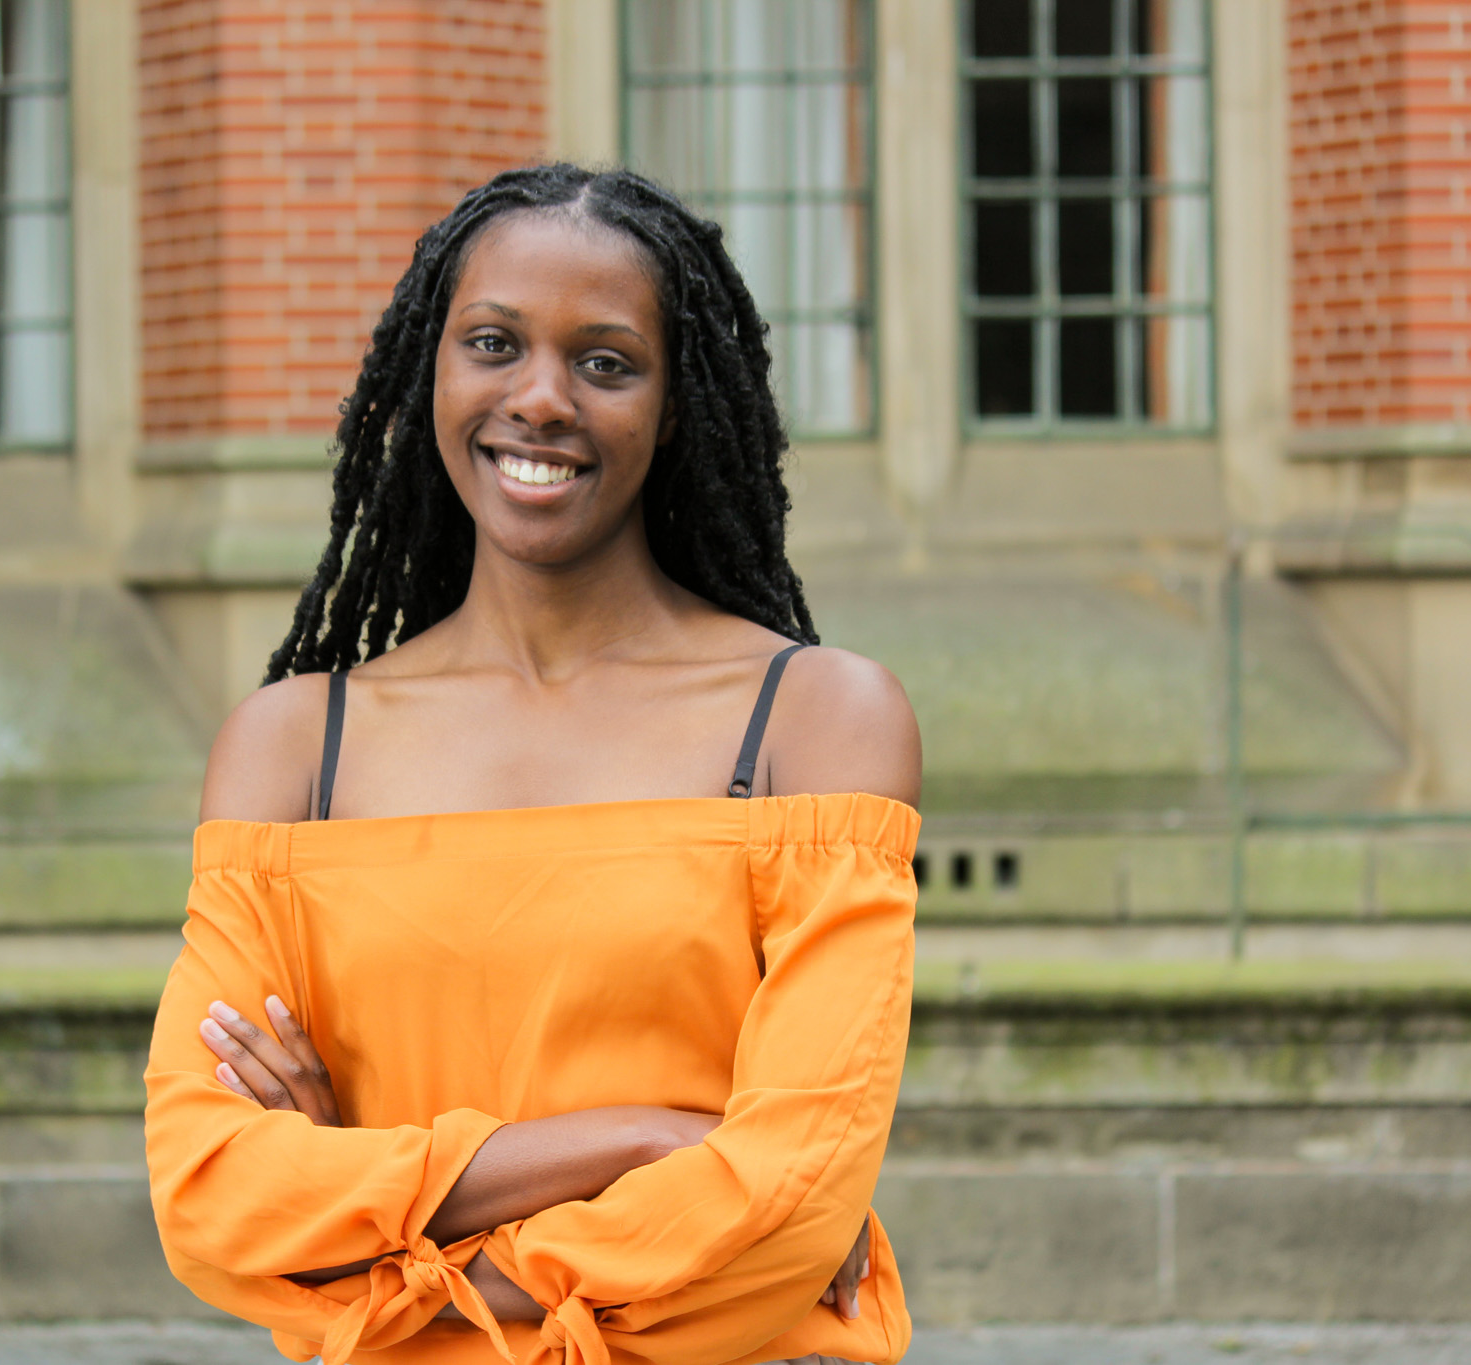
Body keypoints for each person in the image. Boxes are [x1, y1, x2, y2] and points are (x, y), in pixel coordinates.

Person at [144, 164, 922, 1365]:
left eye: (605, 362)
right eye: (493, 343)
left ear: (675, 405)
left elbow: (788, 1210)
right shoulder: (294, 746)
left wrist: (376, 1233)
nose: (540, 399)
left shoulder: (813, 722)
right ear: (430, 374)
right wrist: (644, 1144)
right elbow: (211, 1197)